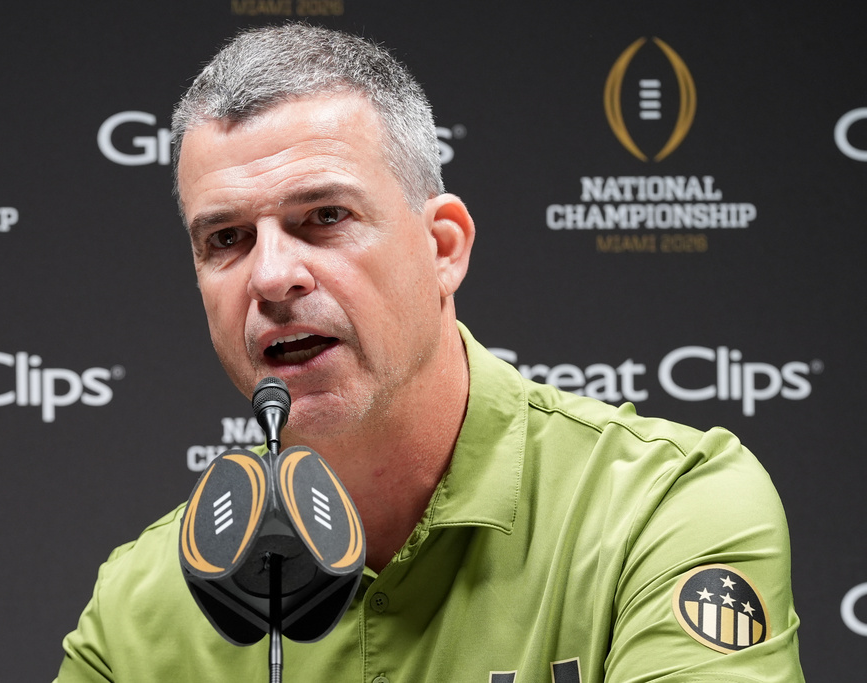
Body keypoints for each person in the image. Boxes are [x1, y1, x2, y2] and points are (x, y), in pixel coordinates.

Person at [55, 23, 803, 682]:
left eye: (323, 217)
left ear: (442, 247)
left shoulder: (661, 509)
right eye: (226, 239)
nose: (273, 275)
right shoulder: (138, 608)